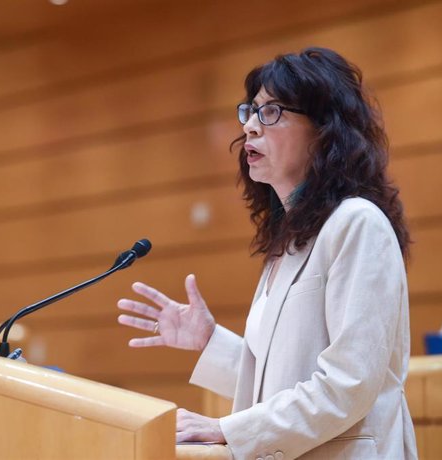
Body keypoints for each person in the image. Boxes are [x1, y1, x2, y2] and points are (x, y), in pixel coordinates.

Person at [117, 47, 417, 459]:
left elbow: (348, 386)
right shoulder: (289, 242)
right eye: (251, 111)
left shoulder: (357, 224)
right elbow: (282, 382)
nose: (251, 128)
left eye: (272, 111)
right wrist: (209, 342)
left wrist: (226, 428)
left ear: (325, 129)